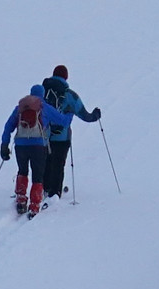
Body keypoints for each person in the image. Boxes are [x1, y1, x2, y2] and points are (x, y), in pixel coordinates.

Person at [1, 84, 72, 218]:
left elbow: (8, 126)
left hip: (20, 145)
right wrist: (70, 113)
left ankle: (21, 200)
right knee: (38, 176)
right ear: (43, 94)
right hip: (38, 146)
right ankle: (34, 206)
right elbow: (63, 122)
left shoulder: (20, 108)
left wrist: (4, 144)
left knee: (22, 171)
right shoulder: (44, 107)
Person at [41, 65, 101, 199]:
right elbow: (84, 115)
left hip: (43, 135)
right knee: (58, 163)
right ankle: (55, 193)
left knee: (46, 161)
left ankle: (43, 188)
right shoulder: (69, 95)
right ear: (66, 77)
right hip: (62, 137)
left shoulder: (42, 91)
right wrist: (95, 116)